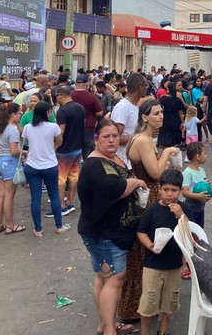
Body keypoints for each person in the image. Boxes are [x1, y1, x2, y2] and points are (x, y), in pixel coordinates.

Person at [78, 120, 147, 335]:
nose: (111, 140)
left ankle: (104, 324)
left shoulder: (111, 158)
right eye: (106, 136)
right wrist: (136, 182)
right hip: (104, 233)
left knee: (104, 276)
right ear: (96, 139)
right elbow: (117, 189)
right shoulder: (95, 165)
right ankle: (109, 329)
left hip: (109, 231)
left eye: (115, 136)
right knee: (115, 279)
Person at [121, 99, 181, 322]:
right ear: (145, 117)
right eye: (156, 113)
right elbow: (155, 173)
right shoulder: (144, 140)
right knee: (144, 253)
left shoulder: (140, 138)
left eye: (161, 112)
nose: (161, 116)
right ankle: (137, 306)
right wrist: (168, 152)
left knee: (141, 253)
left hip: (145, 196)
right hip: (148, 198)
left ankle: (140, 303)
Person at [136, 169, 188, 335]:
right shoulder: (152, 210)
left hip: (174, 265)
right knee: (149, 302)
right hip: (153, 265)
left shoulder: (184, 209)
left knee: (169, 302)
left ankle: (163, 331)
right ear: (159, 189)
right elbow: (141, 232)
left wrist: (181, 216)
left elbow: (191, 233)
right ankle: (144, 332)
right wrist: (150, 245)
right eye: (166, 189)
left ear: (180, 191)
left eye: (174, 190)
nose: (169, 194)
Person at [23, 101, 71, 236]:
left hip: (32, 165)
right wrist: (51, 149)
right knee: (54, 195)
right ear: (47, 112)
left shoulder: (28, 127)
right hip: (50, 165)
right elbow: (59, 142)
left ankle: (38, 229)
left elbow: (26, 142)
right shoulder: (53, 127)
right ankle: (59, 226)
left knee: (35, 198)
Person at [0, 103, 25, 235]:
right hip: (10, 162)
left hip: (0, 162)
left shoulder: (0, 128)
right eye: (19, 113)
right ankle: (10, 225)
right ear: (12, 114)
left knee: (0, 194)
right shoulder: (13, 130)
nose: (20, 115)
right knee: (9, 196)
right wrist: (25, 152)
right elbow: (14, 151)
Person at [53, 86, 85, 217]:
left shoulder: (62, 111)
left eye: (56, 96)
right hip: (77, 147)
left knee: (61, 178)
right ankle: (70, 201)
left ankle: (61, 205)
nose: (55, 99)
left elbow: (61, 131)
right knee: (73, 176)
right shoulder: (80, 108)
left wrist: (55, 146)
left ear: (60, 95)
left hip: (64, 150)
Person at [110, 72, 146, 165]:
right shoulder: (123, 107)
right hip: (124, 161)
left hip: (133, 161)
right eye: (146, 85)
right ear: (140, 87)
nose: (147, 88)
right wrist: (140, 137)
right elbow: (115, 137)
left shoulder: (134, 106)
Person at [181, 141, 210, 231]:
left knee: (199, 229)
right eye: (204, 153)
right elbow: (184, 192)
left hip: (200, 206)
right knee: (192, 230)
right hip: (191, 207)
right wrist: (198, 196)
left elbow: (202, 183)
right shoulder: (187, 173)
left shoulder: (201, 170)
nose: (206, 156)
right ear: (198, 157)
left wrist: (208, 184)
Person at [159, 82, 186, 149]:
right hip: (176, 120)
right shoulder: (177, 100)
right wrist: (182, 122)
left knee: (165, 139)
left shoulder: (163, 99)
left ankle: (166, 152)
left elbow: (160, 110)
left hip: (165, 120)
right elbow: (180, 112)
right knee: (175, 139)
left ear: (168, 89)